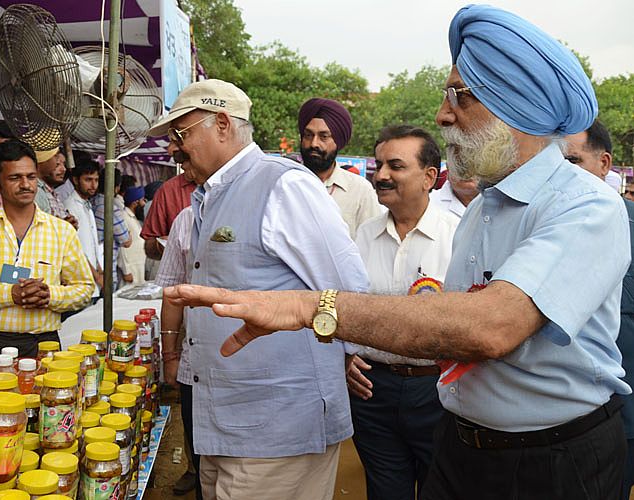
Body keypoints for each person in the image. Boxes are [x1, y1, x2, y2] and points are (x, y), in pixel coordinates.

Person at [165, 6, 629, 499]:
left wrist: (308, 308)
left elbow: (491, 326)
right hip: (461, 444)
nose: (443, 113)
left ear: (515, 103)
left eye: (459, 96)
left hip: (549, 462)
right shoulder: (483, 209)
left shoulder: (586, 204)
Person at [149, 78, 369, 500]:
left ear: (223, 125)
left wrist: (346, 356)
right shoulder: (206, 198)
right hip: (225, 421)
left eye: (181, 134)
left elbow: (348, 289)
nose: (173, 149)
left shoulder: (283, 185)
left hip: (278, 427)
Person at [348, 125, 458, 500]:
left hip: (438, 392)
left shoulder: (458, 236)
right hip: (371, 392)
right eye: (378, 165)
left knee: (440, 489)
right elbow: (344, 305)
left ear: (429, 176)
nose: (380, 176)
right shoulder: (363, 235)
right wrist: (345, 357)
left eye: (395, 166)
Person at [0, 140, 94, 360]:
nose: (25, 185)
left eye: (31, 177)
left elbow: (84, 289)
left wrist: (49, 295)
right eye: (15, 178)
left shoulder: (61, 231)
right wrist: (8, 295)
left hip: (42, 343)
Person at [564, 120, 634, 500]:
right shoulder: (531, 226)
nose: (562, 173)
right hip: (551, 428)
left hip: (620, 418)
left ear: (605, 163)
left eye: (572, 160)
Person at [154, 205, 201, 498]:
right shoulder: (186, 217)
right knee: (193, 427)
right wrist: (170, 357)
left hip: (249, 365)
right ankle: (194, 470)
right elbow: (172, 295)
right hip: (195, 352)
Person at [298, 98, 381, 239]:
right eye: (308, 135)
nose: (314, 144)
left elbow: (372, 244)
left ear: (338, 141)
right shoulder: (284, 184)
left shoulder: (360, 190)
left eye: (324, 136)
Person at [64, 160, 104, 299]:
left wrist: (99, 269)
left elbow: (92, 243)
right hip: (81, 281)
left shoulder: (86, 204)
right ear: (75, 180)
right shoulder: (70, 206)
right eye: (88, 180)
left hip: (93, 279)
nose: (93, 185)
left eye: (96, 180)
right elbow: (77, 248)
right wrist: (96, 275)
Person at [140, 170, 196, 260]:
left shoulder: (226, 189)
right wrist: (161, 245)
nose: (183, 166)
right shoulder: (169, 189)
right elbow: (149, 247)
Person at [90, 168, 131, 291]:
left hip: (92, 269)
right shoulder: (111, 208)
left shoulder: (91, 202)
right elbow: (126, 241)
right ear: (117, 188)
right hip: (105, 270)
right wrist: (129, 233)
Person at [34, 147, 77, 228]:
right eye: (57, 164)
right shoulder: (36, 191)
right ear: (43, 159)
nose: (63, 169)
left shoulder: (52, 193)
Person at [118, 186, 146, 285]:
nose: (144, 204)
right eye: (143, 200)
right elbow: (122, 247)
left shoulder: (133, 217)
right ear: (135, 203)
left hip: (138, 266)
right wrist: (126, 271)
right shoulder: (124, 217)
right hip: (130, 269)